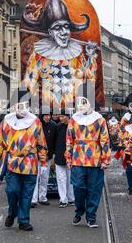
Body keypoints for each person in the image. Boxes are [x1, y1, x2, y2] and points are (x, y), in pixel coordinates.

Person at [22, 0, 98, 109]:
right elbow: (29, 80)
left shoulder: (77, 54)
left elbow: (90, 79)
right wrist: (40, 100)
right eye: (57, 27)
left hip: (74, 110)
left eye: (66, 26)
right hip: (47, 110)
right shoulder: (38, 55)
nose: (63, 32)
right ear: (50, 32)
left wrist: (91, 56)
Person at [0, 88, 48, 231]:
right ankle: (13, 212)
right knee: (12, 191)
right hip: (12, 162)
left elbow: (41, 143)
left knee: (27, 194)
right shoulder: (6, 121)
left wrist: (43, 163)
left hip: (30, 163)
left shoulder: (35, 122)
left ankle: (23, 220)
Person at [65, 81, 111, 228]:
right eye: (78, 102)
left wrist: (105, 159)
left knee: (94, 189)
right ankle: (79, 211)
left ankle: (91, 216)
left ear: (90, 102)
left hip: (95, 160)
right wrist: (69, 158)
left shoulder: (99, 120)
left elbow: (105, 140)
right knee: (78, 188)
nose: (80, 105)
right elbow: (69, 140)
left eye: (83, 102)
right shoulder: (73, 120)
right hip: (78, 159)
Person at [32, 108, 56, 207]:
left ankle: (42, 197)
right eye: (45, 115)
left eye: (49, 115)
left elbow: (54, 141)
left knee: (44, 178)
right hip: (36, 156)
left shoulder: (53, 125)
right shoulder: (36, 125)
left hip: (48, 157)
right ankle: (33, 199)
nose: (47, 117)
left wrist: (53, 155)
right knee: (35, 178)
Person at [54, 109, 75, 207]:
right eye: (60, 116)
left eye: (62, 116)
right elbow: (54, 141)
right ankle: (63, 199)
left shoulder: (74, 126)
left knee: (70, 178)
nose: (61, 118)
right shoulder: (58, 127)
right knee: (61, 178)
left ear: (67, 116)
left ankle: (71, 198)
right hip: (59, 155)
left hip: (71, 156)